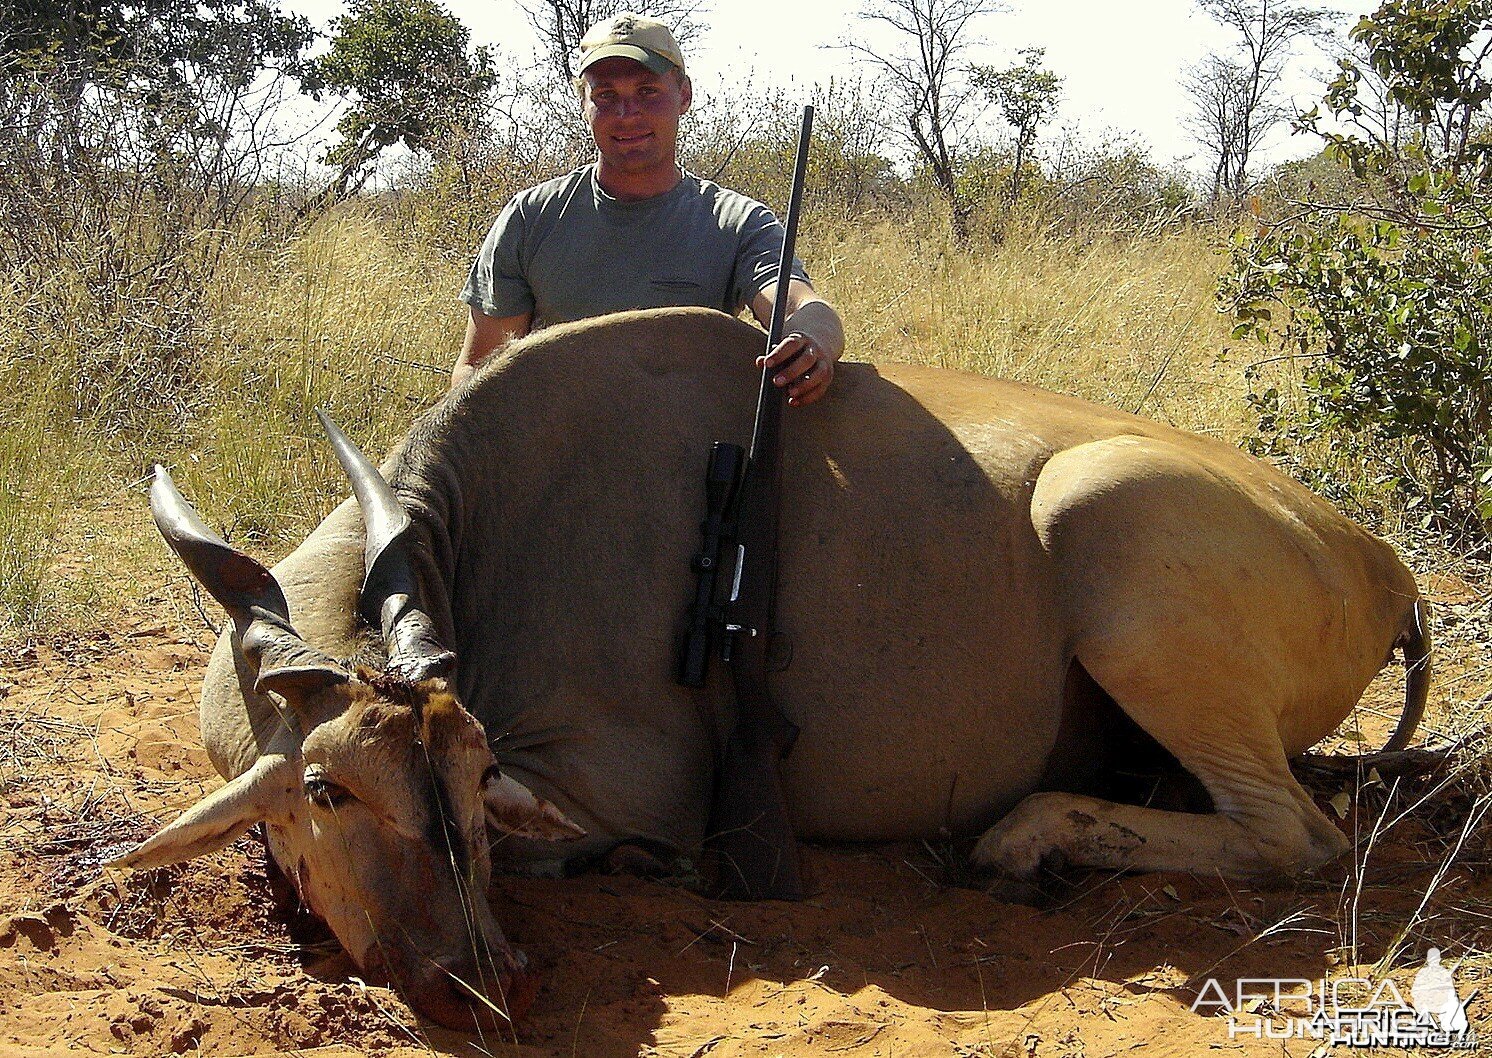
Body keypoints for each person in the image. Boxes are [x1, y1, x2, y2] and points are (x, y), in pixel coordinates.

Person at [453, 12, 845, 406]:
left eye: (647, 91)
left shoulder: (736, 223)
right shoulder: (532, 218)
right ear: (584, 104)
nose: (628, 114)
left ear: (685, 95)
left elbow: (802, 306)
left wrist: (812, 343)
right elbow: (477, 368)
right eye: (606, 96)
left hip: (683, 452)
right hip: (556, 454)